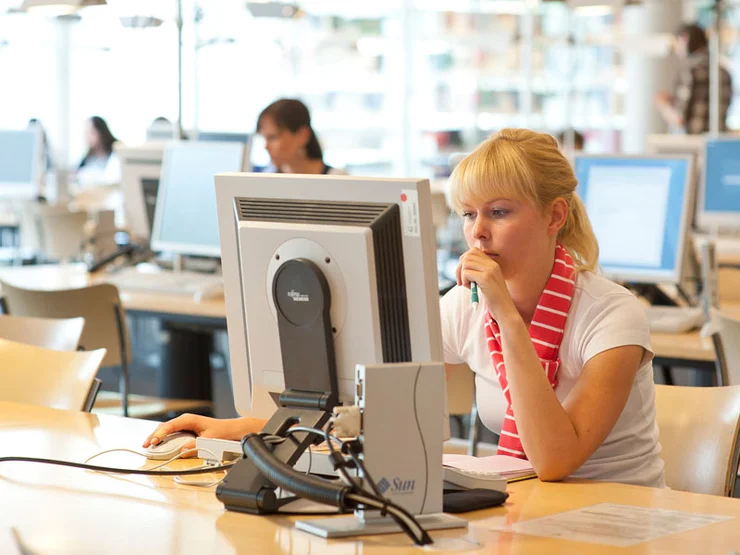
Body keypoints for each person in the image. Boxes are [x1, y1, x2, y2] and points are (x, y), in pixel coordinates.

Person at [143, 129, 665, 489]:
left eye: (499, 212)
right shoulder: (467, 305)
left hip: (617, 524)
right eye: (467, 214)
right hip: (529, 517)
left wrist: (506, 318)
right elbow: (359, 392)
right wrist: (238, 429)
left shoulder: (613, 317)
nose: (477, 232)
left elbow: (553, 460)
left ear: (555, 215)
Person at [655, 23, 733, 134]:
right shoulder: (724, 71)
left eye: (676, 43)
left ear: (684, 39)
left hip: (691, 145)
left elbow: (679, 118)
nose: (676, 49)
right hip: (717, 145)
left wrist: (663, 105)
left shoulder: (688, 71)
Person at [256, 98, 347, 175]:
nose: (266, 146)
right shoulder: (267, 179)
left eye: (273, 137)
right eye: (264, 138)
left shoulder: (338, 180)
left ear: (302, 135)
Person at [76, 116, 122, 187]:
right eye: (85, 133)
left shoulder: (116, 152)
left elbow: (113, 179)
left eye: (91, 132)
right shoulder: (87, 157)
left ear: (101, 132)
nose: (87, 137)